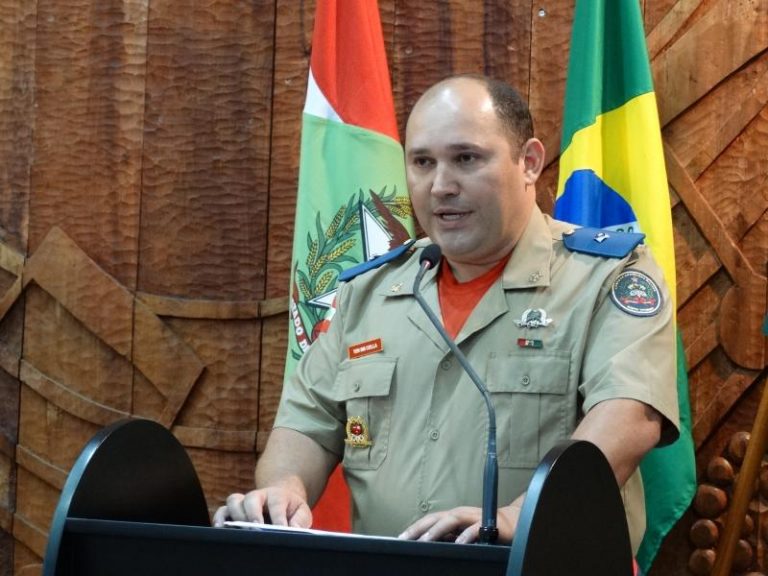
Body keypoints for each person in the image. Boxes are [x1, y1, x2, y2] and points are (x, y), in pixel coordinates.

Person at [213, 75, 679, 553]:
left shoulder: (605, 277)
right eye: (422, 162)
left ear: (529, 163)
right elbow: (305, 424)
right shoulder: (368, 292)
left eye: (466, 159)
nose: (440, 186)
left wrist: (518, 518)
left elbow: (631, 414)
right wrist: (285, 491)